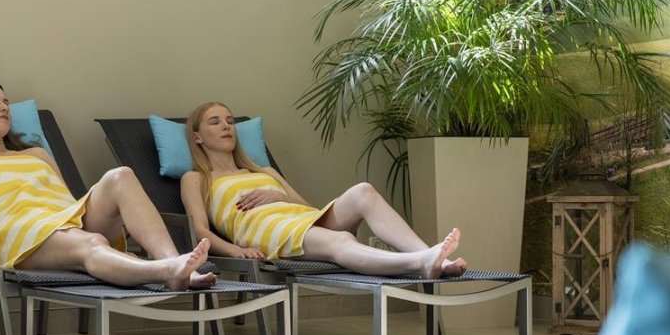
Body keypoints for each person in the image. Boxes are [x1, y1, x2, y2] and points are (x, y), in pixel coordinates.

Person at [0, 80, 215, 290]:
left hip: (65, 221)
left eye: (6, 102)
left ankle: (177, 267)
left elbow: (66, 201)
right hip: (22, 234)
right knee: (92, 242)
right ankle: (164, 270)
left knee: (121, 175)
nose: (4, 107)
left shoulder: (36, 154)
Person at [179, 101, 466, 277]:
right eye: (215, 122)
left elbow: (307, 208)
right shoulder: (196, 178)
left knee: (363, 191)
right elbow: (200, 230)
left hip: (301, 220)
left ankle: (433, 257)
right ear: (197, 137)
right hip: (265, 231)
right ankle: (419, 261)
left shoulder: (264, 171)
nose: (227, 126)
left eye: (230, 121)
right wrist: (234, 251)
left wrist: (278, 195)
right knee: (340, 240)